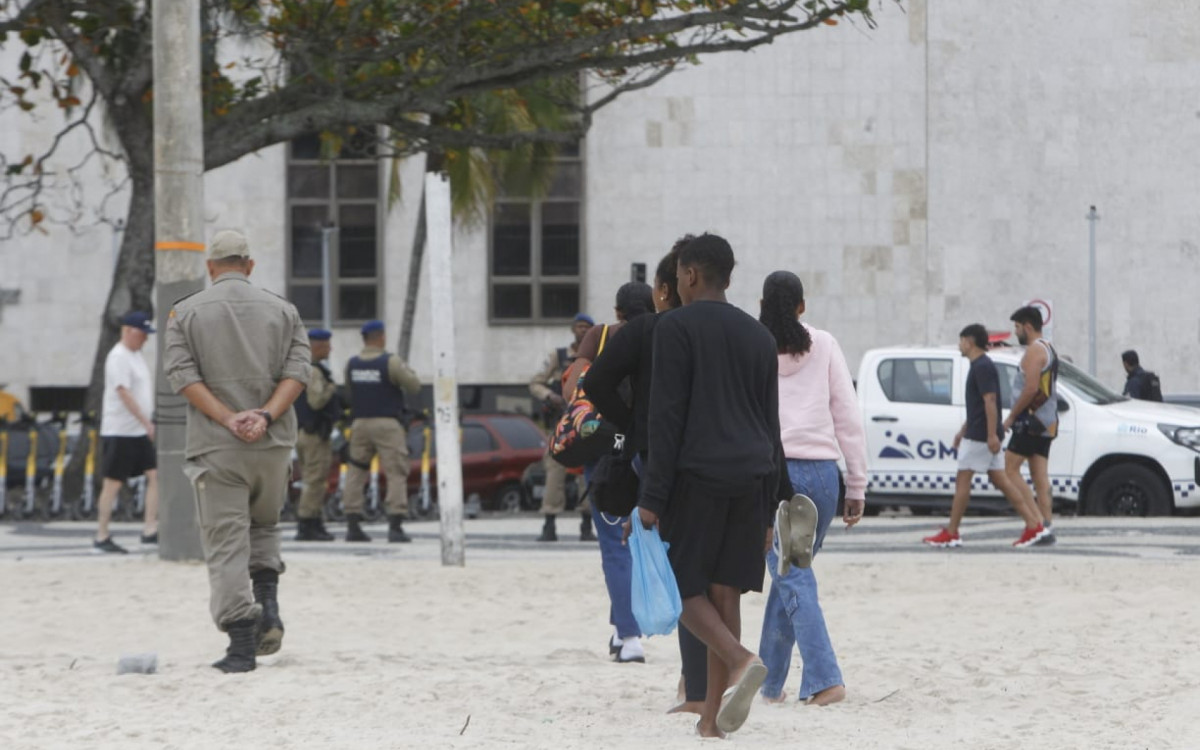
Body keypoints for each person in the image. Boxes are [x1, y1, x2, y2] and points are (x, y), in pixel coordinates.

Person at [635, 233, 788, 738]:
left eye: (678, 274)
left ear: (691, 275)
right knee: (726, 595)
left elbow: (667, 416)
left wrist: (652, 498)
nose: (676, 283)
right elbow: (771, 426)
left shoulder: (674, 327)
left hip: (698, 475)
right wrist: (771, 508)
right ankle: (710, 721)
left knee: (681, 587)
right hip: (751, 475)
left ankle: (742, 660)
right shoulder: (759, 336)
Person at [163, 229, 310, 673]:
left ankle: (241, 644)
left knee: (226, 542)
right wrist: (263, 416)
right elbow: (298, 372)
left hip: (217, 447)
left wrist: (229, 419)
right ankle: (268, 606)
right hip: (273, 444)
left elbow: (181, 376)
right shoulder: (284, 310)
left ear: (210, 267)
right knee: (265, 526)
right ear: (248, 265)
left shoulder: (184, 313)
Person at [587, 238, 709, 709]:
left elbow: (594, 382)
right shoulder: (716, 330)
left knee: (671, 563)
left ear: (666, 288)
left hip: (655, 456)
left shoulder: (644, 332)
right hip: (710, 456)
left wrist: (630, 421)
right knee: (707, 571)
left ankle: (693, 680)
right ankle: (703, 679)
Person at [754, 271, 865, 707]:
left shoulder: (751, 345)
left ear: (761, 303)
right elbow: (848, 416)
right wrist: (856, 482)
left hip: (771, 474)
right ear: (802, 306)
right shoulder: (825, 344)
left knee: (793, 576)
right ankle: (768, 681)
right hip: (821, 477)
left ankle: (824, 679)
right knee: (789, 578)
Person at [559, 282, 654, 664]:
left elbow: (573, 388)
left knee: (615, 545)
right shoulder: (662, 333)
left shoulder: (599, 336)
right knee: (646, 542)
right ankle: (620, 628)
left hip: (607, 453)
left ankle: (630, 638)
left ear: (617, 312)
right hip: (651, 451)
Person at [922, 324, 1048, 549]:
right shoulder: (981, 366)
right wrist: (963, 430)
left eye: (961, 341)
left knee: (963, 481)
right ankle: (1033, 525)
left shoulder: (982, 366)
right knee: (1002, 480)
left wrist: (991, 435)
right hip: (980, 432)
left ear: (969, 341)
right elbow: (979, 405)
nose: (960, 346)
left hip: (981, 435)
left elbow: (990, 401)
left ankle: (952, 532)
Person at [341, 319, 421, 543]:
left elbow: (349, 391)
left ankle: (352, 525)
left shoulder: (352, 363)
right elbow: (414, 385)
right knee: (396, 471)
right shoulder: (391, 361)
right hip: (387, 423)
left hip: (359, 423)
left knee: (356, 472)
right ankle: (395, 526)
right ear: (381, 337)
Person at [93, 311, 160, 553]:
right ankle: (101, 536)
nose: (145, 339)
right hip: (120, 430)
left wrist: (146, 423)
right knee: (113, 483)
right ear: (129, 331)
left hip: (138, 431)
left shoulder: (136, 355)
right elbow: (124, 392)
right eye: (142, 334)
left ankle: (150, 529)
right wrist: (145, 421)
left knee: (154, 475)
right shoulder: (118, 356)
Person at [528, 312, 594, 542]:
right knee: (554, 472)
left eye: (587, 327)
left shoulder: (597, 355)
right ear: (573, 329)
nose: (583, 331)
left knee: (586, 473)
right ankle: (549, 523)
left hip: (586, 423)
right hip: (560, 422)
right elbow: (535, 382)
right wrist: (550, 396)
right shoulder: (559, 356)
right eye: (579, 326)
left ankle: (587, 524)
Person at [1002, 306, 1059, 547]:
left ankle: (1034, 523)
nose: (1015, 332)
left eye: (1017, 327)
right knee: (1039, 475)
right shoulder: (1048, 348)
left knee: (1008, 470)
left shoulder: (1035, 352)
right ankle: (1046, 525)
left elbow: (1031, 388)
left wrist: (1011, 417)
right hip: (1046, 421)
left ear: (1027, 326)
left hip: (1031, 421)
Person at [293, 328, 339, 542]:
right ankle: (307, 524)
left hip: (303, 431)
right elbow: (316, 401)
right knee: (315, 480)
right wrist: (331, 388)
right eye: (327, 345)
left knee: (312, 479)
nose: (330, 349)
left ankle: (313, 522)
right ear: (317, 346)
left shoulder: (299, 367)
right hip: (314, 434)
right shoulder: (314, 371)